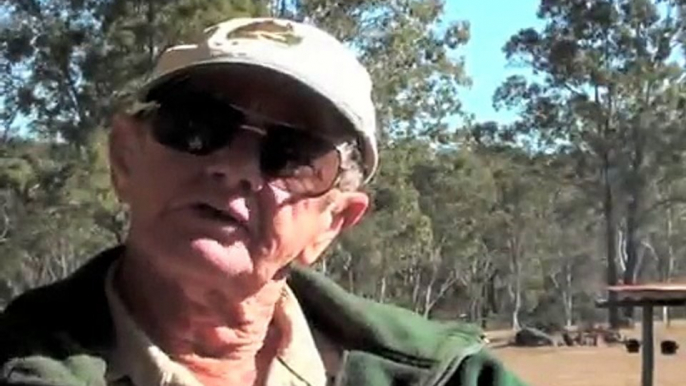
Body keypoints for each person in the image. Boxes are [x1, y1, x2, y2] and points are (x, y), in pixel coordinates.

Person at [0, 17, 527, 386]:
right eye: (199, 125)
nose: (236, 168)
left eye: (292, 154)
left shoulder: (451, 375)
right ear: (124, 159)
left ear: (333, 223)